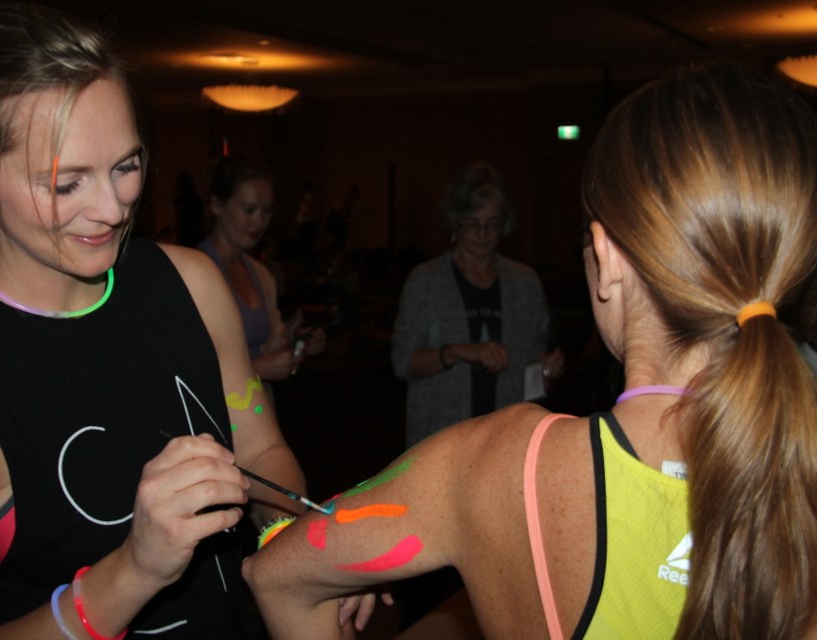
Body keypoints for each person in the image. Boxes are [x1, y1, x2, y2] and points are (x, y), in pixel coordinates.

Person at [242, 61, 817, 639]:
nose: (486, 235)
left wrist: (282, 532)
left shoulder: (491, 466)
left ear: (607, 257)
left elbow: (278, 573)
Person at [0, 5, 315, 638]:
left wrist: (302, 553)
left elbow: (262, 453)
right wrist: (134, 570)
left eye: (126, 166)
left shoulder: (192, 284)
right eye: (66, 183)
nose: (112, 208)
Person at [391, 163, 564, 451]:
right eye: (472, 224)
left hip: (505, 442)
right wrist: (457, 352)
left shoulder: (524, 283)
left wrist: (546, 372)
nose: (483, 234)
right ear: (454, 223)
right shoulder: (426, 281)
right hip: (440, 441)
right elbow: (402, 362)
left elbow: (532, 372)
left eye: (492, 223)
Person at [198, 153, 325, 382]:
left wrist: (296, 341)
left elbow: (264, 344)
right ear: (216, 204)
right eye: (249, 210)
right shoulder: (193, 273)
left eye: (266, 211)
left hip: (256, 411)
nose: (259, 222)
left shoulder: (260, 273)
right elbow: (182, 370)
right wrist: (254, 370)